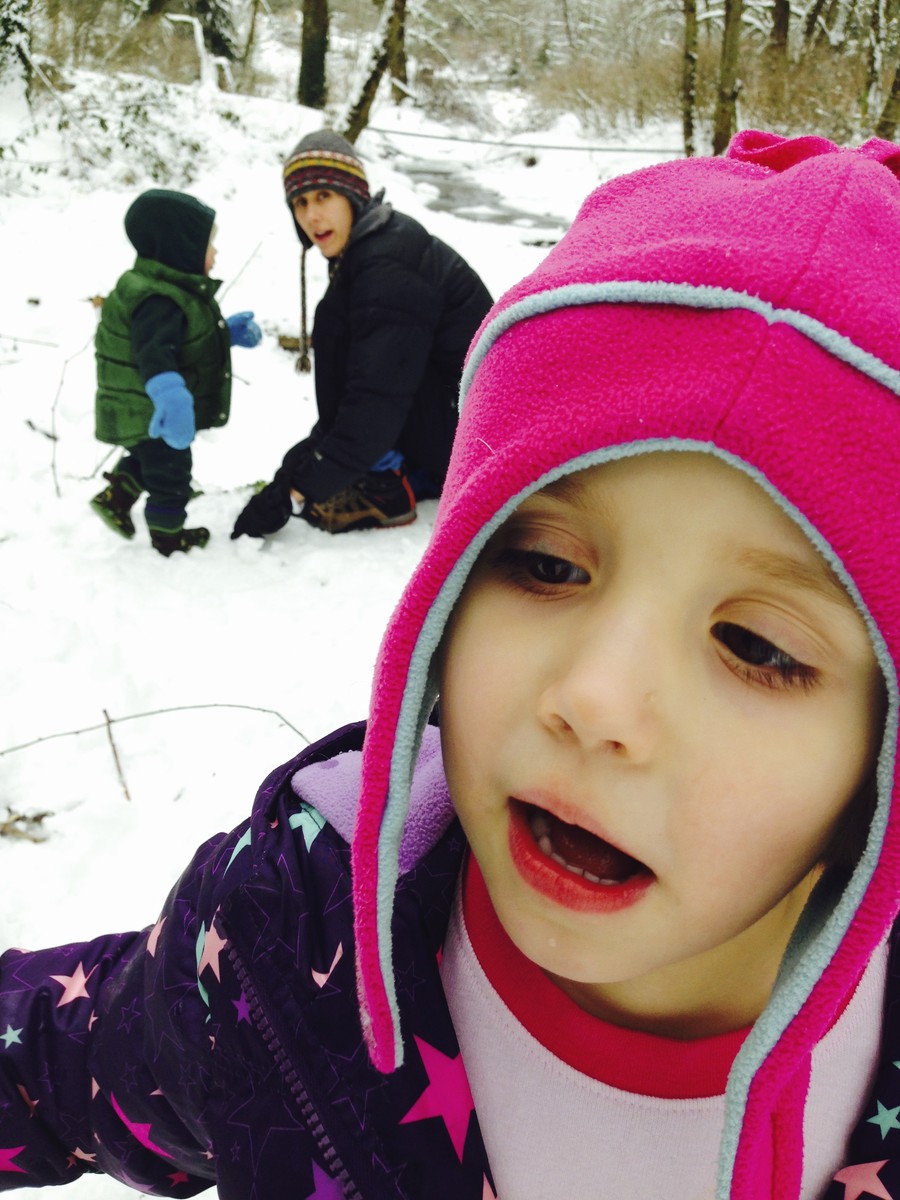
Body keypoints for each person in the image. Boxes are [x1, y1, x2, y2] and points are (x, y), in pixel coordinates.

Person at [2, 129, 900, 1199]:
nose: (595, 698)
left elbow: (372, 397)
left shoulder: (388, 270)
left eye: (756, 646)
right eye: (547, 563)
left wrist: (302, 481)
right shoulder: (285, 938)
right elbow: (61, 1063)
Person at [230, 129, 493, 539]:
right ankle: (381, 469)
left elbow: (374, 399)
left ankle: (386, 486)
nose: (311, 216)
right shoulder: (368, 250)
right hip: (445, 421)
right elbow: (355, 394)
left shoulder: (390, 263)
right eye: (300, 203)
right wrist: (291, 475)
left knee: (368, 386)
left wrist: (299, 491)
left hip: (470, 439)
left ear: (351, 195)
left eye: (323, 197)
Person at [90, 188, 262, 557]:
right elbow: (154, 352)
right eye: (208, 245)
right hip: (150, 403)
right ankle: (168, 536)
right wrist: (169, 392)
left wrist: (224, 334)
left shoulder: (164, 288)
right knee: (171, 472)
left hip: (138, 406)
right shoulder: (158, 299)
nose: (216, 254)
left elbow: (181, 341)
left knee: (148, 455)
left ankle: (115, 498)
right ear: (179, 248)